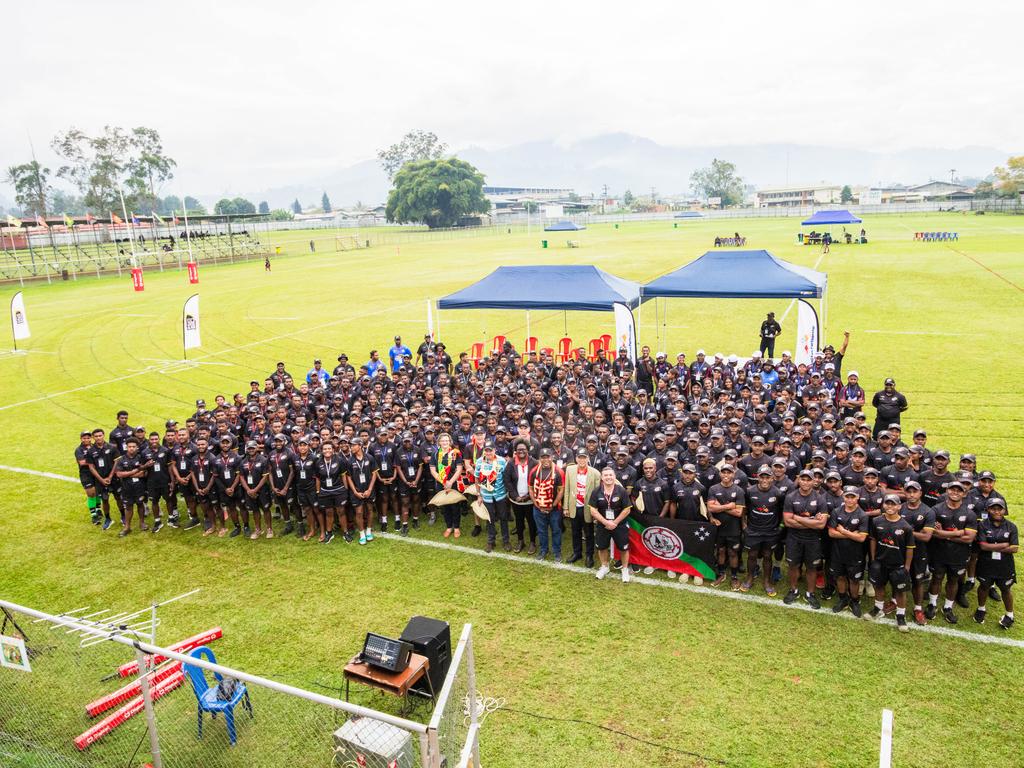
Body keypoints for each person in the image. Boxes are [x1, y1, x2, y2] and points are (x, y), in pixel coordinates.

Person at [926, 479, 977, 623]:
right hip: (938, 552)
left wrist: (944, 535)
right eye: (952, 489)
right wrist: (957, 533)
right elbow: (933, 533)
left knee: (953, 580)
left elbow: (969, 539)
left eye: (959, 490)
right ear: (947, 491)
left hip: (958, 555)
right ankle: (932, 604)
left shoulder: (969, 514)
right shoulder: (936, 510)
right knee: (937, 577)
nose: (955, 492)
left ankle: (948, 607)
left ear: (964, 493)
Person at [782, 470, 828, 608]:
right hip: (793, 538)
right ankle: (793, 590)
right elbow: (787, 522)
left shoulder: (820, 498)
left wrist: (797, 518)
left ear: (814, 481)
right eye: (803, 479)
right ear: (799, 480)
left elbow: (821, 525)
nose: (806, 482)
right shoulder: (790, 497)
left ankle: (810, 593)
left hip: (813, 539)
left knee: (812, 567)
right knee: (793, 565)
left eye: (809, 480)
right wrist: (811, 521)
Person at [974, 498, 1017, 629]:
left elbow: (1014, 548)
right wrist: (1004, 545)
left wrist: (992, 545)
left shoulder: (1011, 526)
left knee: (1005, 588)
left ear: (1004, 510)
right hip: (986, 563)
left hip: (1005, 564)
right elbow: (983, 546)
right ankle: (981, 609)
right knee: (984, 586)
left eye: (1000, 508)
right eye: (993, 508)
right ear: (988, 510)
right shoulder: (982, 525)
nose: (997, 511)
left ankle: (1010, 615)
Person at [828, 486, 869, 616]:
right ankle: (843, 599)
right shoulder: (836, 512)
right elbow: (831, 533)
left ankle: (855, 601)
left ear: (857, 497)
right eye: (847, 496)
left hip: (855, 554)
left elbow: (862, 538)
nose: (850, 499)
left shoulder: (862, 515)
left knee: (854, 580)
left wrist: (843, 531)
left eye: (853, 497)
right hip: (837, 551)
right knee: (840, 576)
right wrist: (852, 534)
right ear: (843, 497)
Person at [590, 466, 634, 583]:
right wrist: (605, 522)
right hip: (603, 525)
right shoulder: (596, 491)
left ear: (614, 477)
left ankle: (624, 569)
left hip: (619, 524)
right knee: (602, 547)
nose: (608, 477)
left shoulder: (621, 491)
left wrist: (614, 522)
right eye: (606, 475)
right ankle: (605, 567)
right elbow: (593, 510)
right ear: (602, 478)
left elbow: (627, 510)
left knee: (624, 548)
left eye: (610, 475)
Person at [707, 465, 745, 589]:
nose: (726, 475)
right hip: (719, 527)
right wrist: (729, 506)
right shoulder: (713, 488)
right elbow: (710, 508)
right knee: (721, 551)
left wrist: (720, 506)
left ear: (733, 474)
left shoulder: (739, 490)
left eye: (729, 472)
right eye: (723, 472)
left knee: (732, 552)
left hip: (733, 528)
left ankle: (734, 576)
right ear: (720, 474)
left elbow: (739, 513)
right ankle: (721, 574)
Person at [563, 449, 602, 568]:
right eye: (579, 457)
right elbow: (567, 489)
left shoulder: (595, 473)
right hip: (574, 506)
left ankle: (589, 555)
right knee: (575, 532)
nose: (582, 460)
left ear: (588, 459)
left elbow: (596, 494)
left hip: (587, 508)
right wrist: (565, 507)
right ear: (576, 459)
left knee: (589, 533)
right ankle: (577, 553)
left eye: (584, 457)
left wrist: (596, 511)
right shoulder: (569, 470)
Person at [529, 448, 564, 561]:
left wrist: (552, 505)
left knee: (556, 530)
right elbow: (530, 488)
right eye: (543, 457)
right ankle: (543, 550)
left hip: (554, 509)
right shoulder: (534, 471)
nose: (545, 460)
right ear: (539, 459)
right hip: (538, 508)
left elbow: (561, 491)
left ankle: (557, 552)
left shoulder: (558, 472)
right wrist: (536, 504)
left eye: (547, 457)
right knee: (541, 530)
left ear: (552, 457)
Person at [475, 442, 510, 553]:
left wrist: (508, 493)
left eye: (490, 450)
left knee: (503, 518)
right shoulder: (479, 462)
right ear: (484, 451)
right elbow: (477, 479)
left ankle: (506, 541)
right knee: (489, 519)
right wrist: (479, 495)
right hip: (486, 496)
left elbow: (506, 477)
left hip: (500, 495)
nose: (488, 452)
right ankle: (491, 541)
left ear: (495, 450)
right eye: (486, 450)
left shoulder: (501, 461)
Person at [505, 442, 537, 554]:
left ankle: (533, 542)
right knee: (519, 521)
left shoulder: (534, 463)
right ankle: (521, 541)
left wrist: (529, 495)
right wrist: (515, 496)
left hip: (530, 500)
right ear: (515, 451)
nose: (521, 451)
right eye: (518, 449)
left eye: (523, 449)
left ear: (528, 450)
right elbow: (507, 481)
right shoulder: (511, 463)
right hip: (516, 500)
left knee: (531, 521)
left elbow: (538, 481)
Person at [430, 433, 464, 538]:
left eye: (447, 441)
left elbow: (459, 469)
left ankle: (457, 527)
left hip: (453, 483)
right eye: (443, 441)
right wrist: (443, 481)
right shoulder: (435, 454)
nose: (445, 442)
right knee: (445, 507)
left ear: (450, 442)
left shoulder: (455, 453)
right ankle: (449, 527)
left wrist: (450, 482)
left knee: (455, 506)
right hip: (441, 484)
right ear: (439, 442)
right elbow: (433, 470)